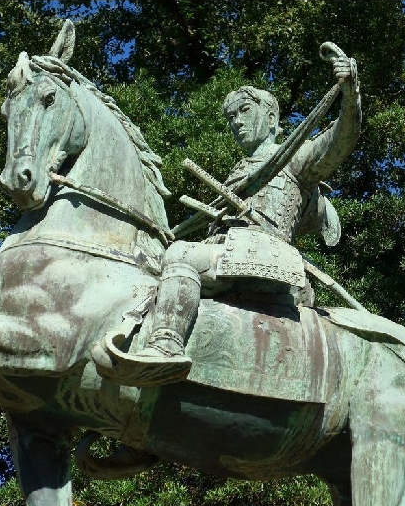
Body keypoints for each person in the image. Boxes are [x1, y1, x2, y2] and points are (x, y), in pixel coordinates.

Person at [125, 53, 361, 385]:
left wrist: (350, 92)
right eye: (231, 116)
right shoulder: (238, 172)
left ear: (271, 116)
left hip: (264, 254)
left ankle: (165, 346)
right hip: (226, 250)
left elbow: (341, 140)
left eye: (244, 111)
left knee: (179, 254)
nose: (236, 121)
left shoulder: (295, 157)